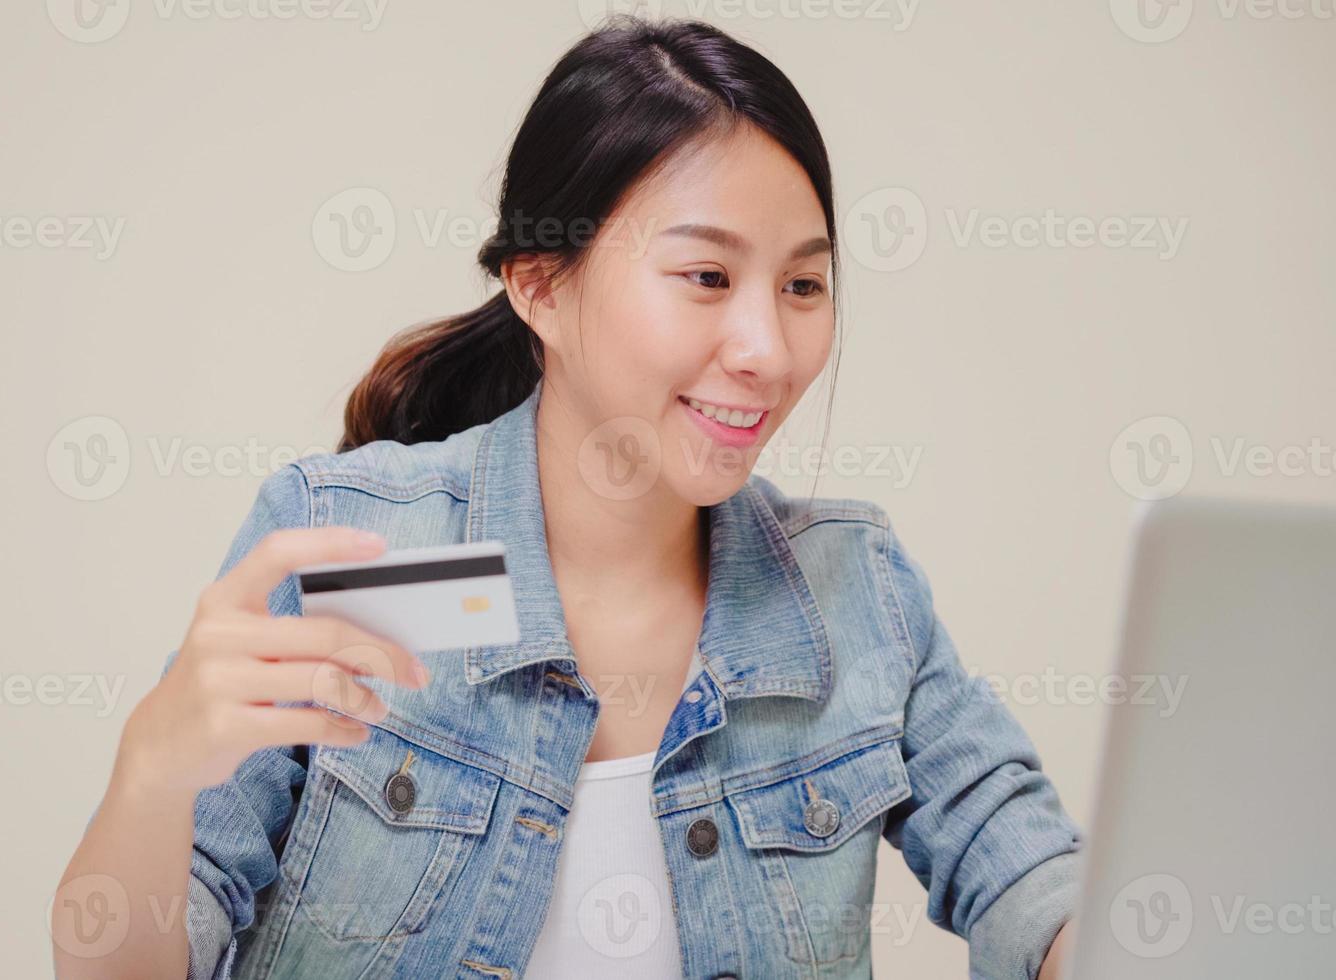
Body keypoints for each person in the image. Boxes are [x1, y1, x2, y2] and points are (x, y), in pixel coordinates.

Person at [55, 16, 1080, 980]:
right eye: (706, 276)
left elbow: (1035, 884)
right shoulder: (366, 554)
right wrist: (152, 770)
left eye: (802, 286)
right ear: (542, 286)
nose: (767, 351)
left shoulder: (852, 587)